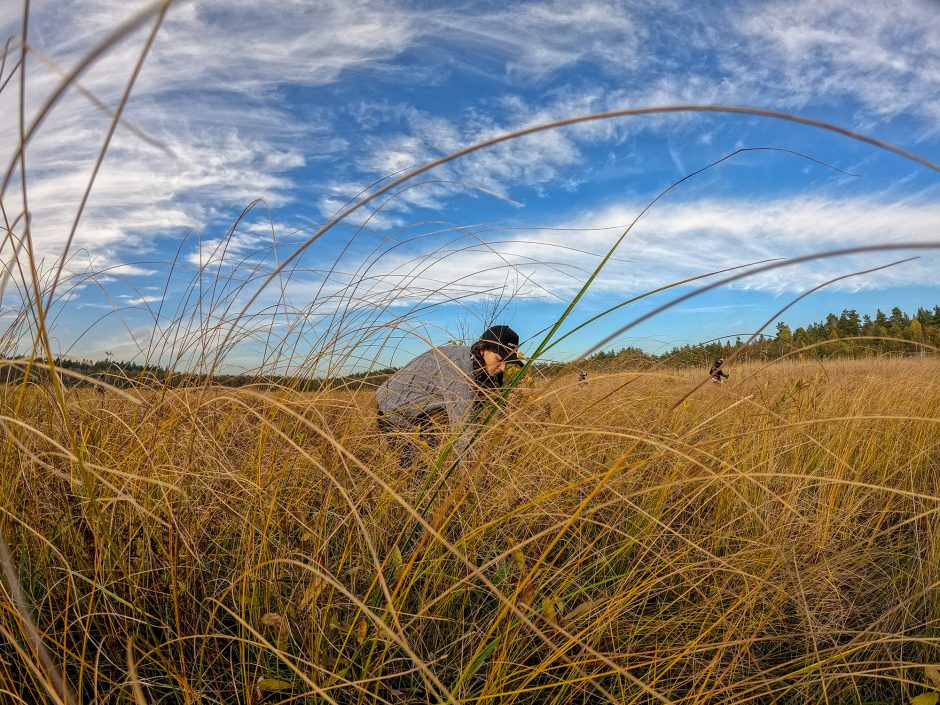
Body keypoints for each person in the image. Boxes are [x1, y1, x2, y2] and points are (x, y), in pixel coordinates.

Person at [375, 325, 520, 459]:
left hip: (422, 413)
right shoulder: (459, 372)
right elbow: (463, 436)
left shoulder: (478, 361)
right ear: (483, 350)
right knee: (415, 468)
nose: (503, 368)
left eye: (508, 362)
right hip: (393, 408)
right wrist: (468, 484)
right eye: (499, 359)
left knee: (432, 455)